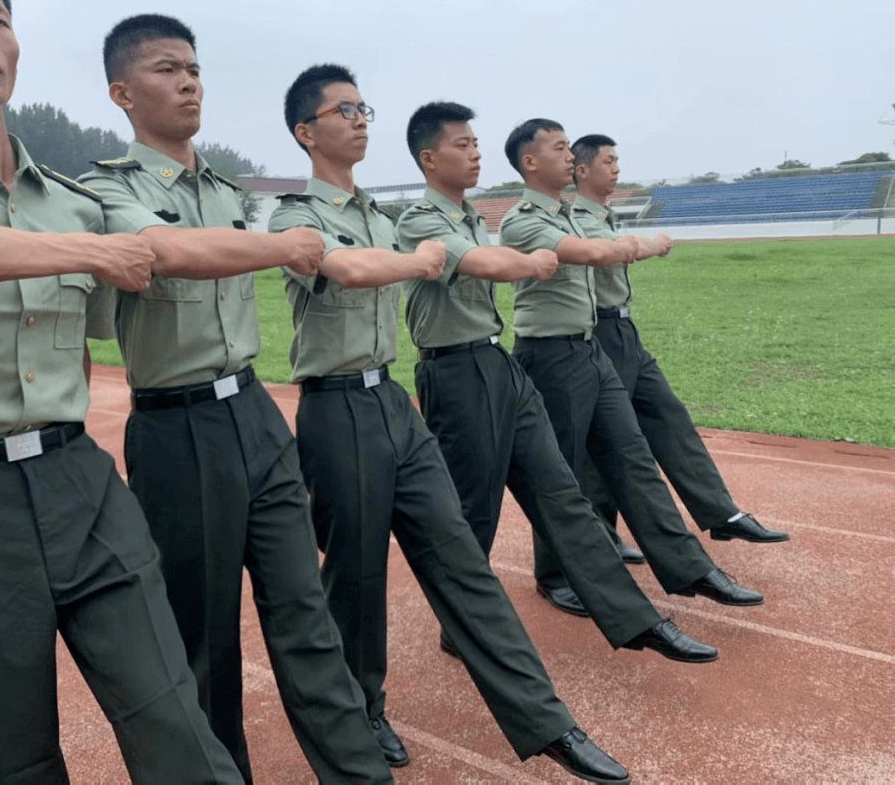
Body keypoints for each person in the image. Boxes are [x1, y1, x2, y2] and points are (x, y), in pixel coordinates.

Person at [0, 0, 324, 781]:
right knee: (9, 760)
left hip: (81, 484)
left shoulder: (75, 201)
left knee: (178, 728)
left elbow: (106, 323)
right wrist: (82, 253)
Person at [268, 63, 631, 785]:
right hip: (335, 408)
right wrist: (421, 259)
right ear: (308, 132)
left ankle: (546, 721)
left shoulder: (380, 213)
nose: (360, 118)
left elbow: (402, 259)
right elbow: (347, 270)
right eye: (344, 110)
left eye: (364, 106)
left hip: (393, 402)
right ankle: (362, 708)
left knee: (463, 559)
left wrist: (417, 256)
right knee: (356, 578)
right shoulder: (291, 216)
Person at [77, 14, 392, 785]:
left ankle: (357, 772)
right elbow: (164, 253)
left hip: (254, 412)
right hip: (175, 429)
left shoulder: (223, 189)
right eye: (165, 69)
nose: (189, 82)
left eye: (193, 67)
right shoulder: (105, 190)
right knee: (206, 637)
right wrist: (284, 246)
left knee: (305, 619)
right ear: (121, 92)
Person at [395, 101, 717, 664]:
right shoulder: (418, 220)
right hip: (452, 371)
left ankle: (636, 618)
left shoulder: (473, 216)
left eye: (475, 144)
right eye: (462, 145)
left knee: (561, 493)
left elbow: (497, 255)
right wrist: (536, 261)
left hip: (497, 363)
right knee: (474, 510)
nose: (474, 153)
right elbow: (484, 265)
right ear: (428, 158)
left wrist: (538, 257)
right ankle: (462, 620)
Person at [498, 118, 765, 618]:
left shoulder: (569, 212)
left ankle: (690, 567)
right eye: (559, 150)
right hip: (549, 356)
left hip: (588, 349)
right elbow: (588, 253)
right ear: (530, 162)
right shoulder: (522, 219)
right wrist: (634, 247)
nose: (568, 159)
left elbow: (595, 245)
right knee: (564, 469)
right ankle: (554, 574)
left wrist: (625, 246)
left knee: (634, 457)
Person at [569, 133, 790, 550]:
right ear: (581, 171)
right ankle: (602, 533)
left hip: (623, 330)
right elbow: (610, 251)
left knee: (668, 415)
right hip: (596, 331)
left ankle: (721, 513)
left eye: (618, 162)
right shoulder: (576, 217)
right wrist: (651, 245)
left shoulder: (602, 215)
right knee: (605, 436)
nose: (616, 169)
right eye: (608, 162)